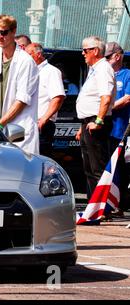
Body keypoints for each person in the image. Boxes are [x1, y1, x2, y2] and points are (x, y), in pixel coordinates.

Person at [0, 15, 40, 154]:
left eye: (4, 32)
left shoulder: (25, 61)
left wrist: (1, 123)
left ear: (13, 32)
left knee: (20, 167)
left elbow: (22, 100)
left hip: (19, 126)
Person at [75, 36, 116, 200]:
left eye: (85, 50)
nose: (83, 54)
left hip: (97, 121)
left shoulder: (103, 68)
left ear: (96, 51)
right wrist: (82, 126)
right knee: (89, 168)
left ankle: (102, 207)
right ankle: (94, 204)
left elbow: (105, 98)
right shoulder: (95, 69)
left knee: (97, 166)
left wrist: (98, 121)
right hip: (88, 121)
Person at [26, 43, 65, 157]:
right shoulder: (30, 72)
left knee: (40, 158)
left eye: (29, 55)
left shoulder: (51, 72)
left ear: (38, 54)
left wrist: (44, 119)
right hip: (28, 123)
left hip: (42, 124)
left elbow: (58, 97)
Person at [105, 41, 130, 216]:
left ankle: (120, 204)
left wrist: (108, 107)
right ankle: (109, 203)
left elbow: (127, 98)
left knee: (121, 167)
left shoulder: (127, 75)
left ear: (117, 56)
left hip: (121, 129)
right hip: (106, 128)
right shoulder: (102, 75)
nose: (104, 60)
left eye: (107, 57)